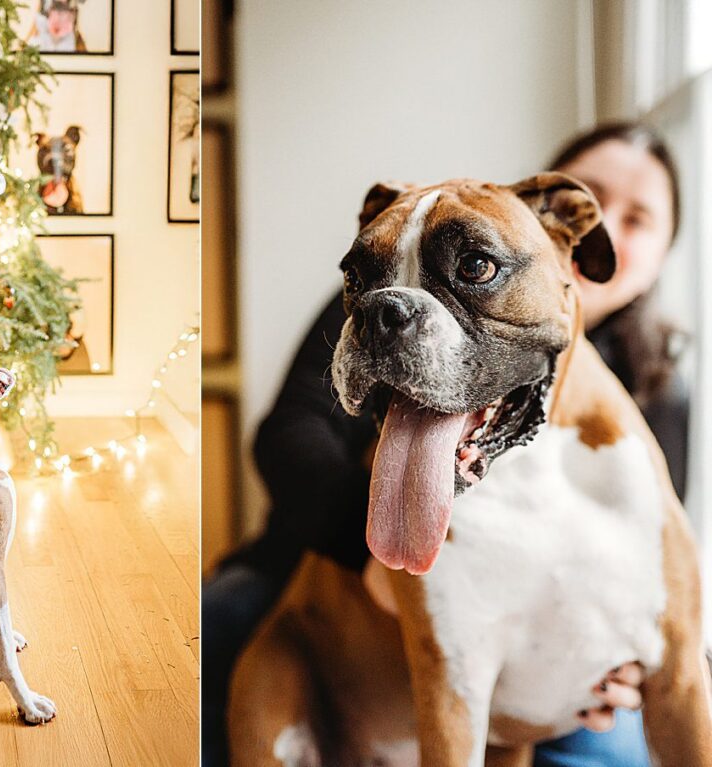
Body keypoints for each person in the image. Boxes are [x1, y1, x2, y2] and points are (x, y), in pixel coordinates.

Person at [202, 122, 685, 767]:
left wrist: (615, 668)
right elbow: (289, 437)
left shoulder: (652, 395)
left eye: (640, 219)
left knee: (611, 745)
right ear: (558, 214)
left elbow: (658, 596)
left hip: (528, 659)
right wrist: (376, 560)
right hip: (316, 582)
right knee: (211, 627)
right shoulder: (390, 293)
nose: (614, 230)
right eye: (598, 199)